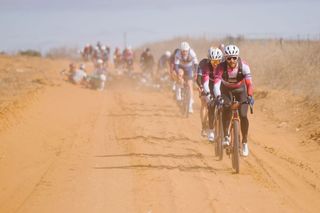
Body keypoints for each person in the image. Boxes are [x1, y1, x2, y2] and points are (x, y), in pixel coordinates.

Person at [214, 44, 254, 156]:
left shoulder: (244, 66)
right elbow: (216, 85)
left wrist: (250, 96)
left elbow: (249, 83)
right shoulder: (221, 67)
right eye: (229, 58)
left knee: (243, 115)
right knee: (226, 108)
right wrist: (218, 97)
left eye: (234, 58)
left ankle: (245, 142)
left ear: (237, 57)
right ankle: (226, 135)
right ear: (225, 58)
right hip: (225, 91)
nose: (232, 60)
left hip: (241, 90)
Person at [196, 47, 223, 139]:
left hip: (219, 84)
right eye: (213, 62)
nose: (215, 64)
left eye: (217, 61)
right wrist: (201, 87)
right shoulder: (204, 64)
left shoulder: (224, 65)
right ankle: (204, 126)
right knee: (204, 102)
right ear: (209, 60)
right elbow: (199, 78)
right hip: (206, 84)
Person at [174, 42, 198, 113]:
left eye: (186, 51)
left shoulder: (192, 53)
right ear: (180, 50)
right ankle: (178, 94)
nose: (184, 52)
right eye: (183, 51)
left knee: (190, 84)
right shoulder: (178, 54)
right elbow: (176, 65)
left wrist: (196, 72)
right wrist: (178, 74)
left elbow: (196, 64)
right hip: (181, 67)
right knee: (180, 75)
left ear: (188, 50)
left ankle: (190, 105)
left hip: (189, 68)